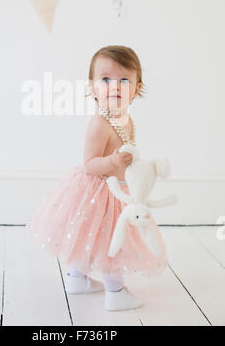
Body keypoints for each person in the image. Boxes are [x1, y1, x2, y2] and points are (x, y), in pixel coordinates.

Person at [28, 45, 167, 311]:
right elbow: (90, 163)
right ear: (92, 88)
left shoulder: (125, 119)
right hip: (98, 191)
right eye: (105, 79)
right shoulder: (99, 123)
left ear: (136, 89)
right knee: (108, 242)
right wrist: (113, 162)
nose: (115, 85)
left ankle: (77, 279)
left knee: (95, 238)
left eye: (124, 79)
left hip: (118, 188)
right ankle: (116, 292)